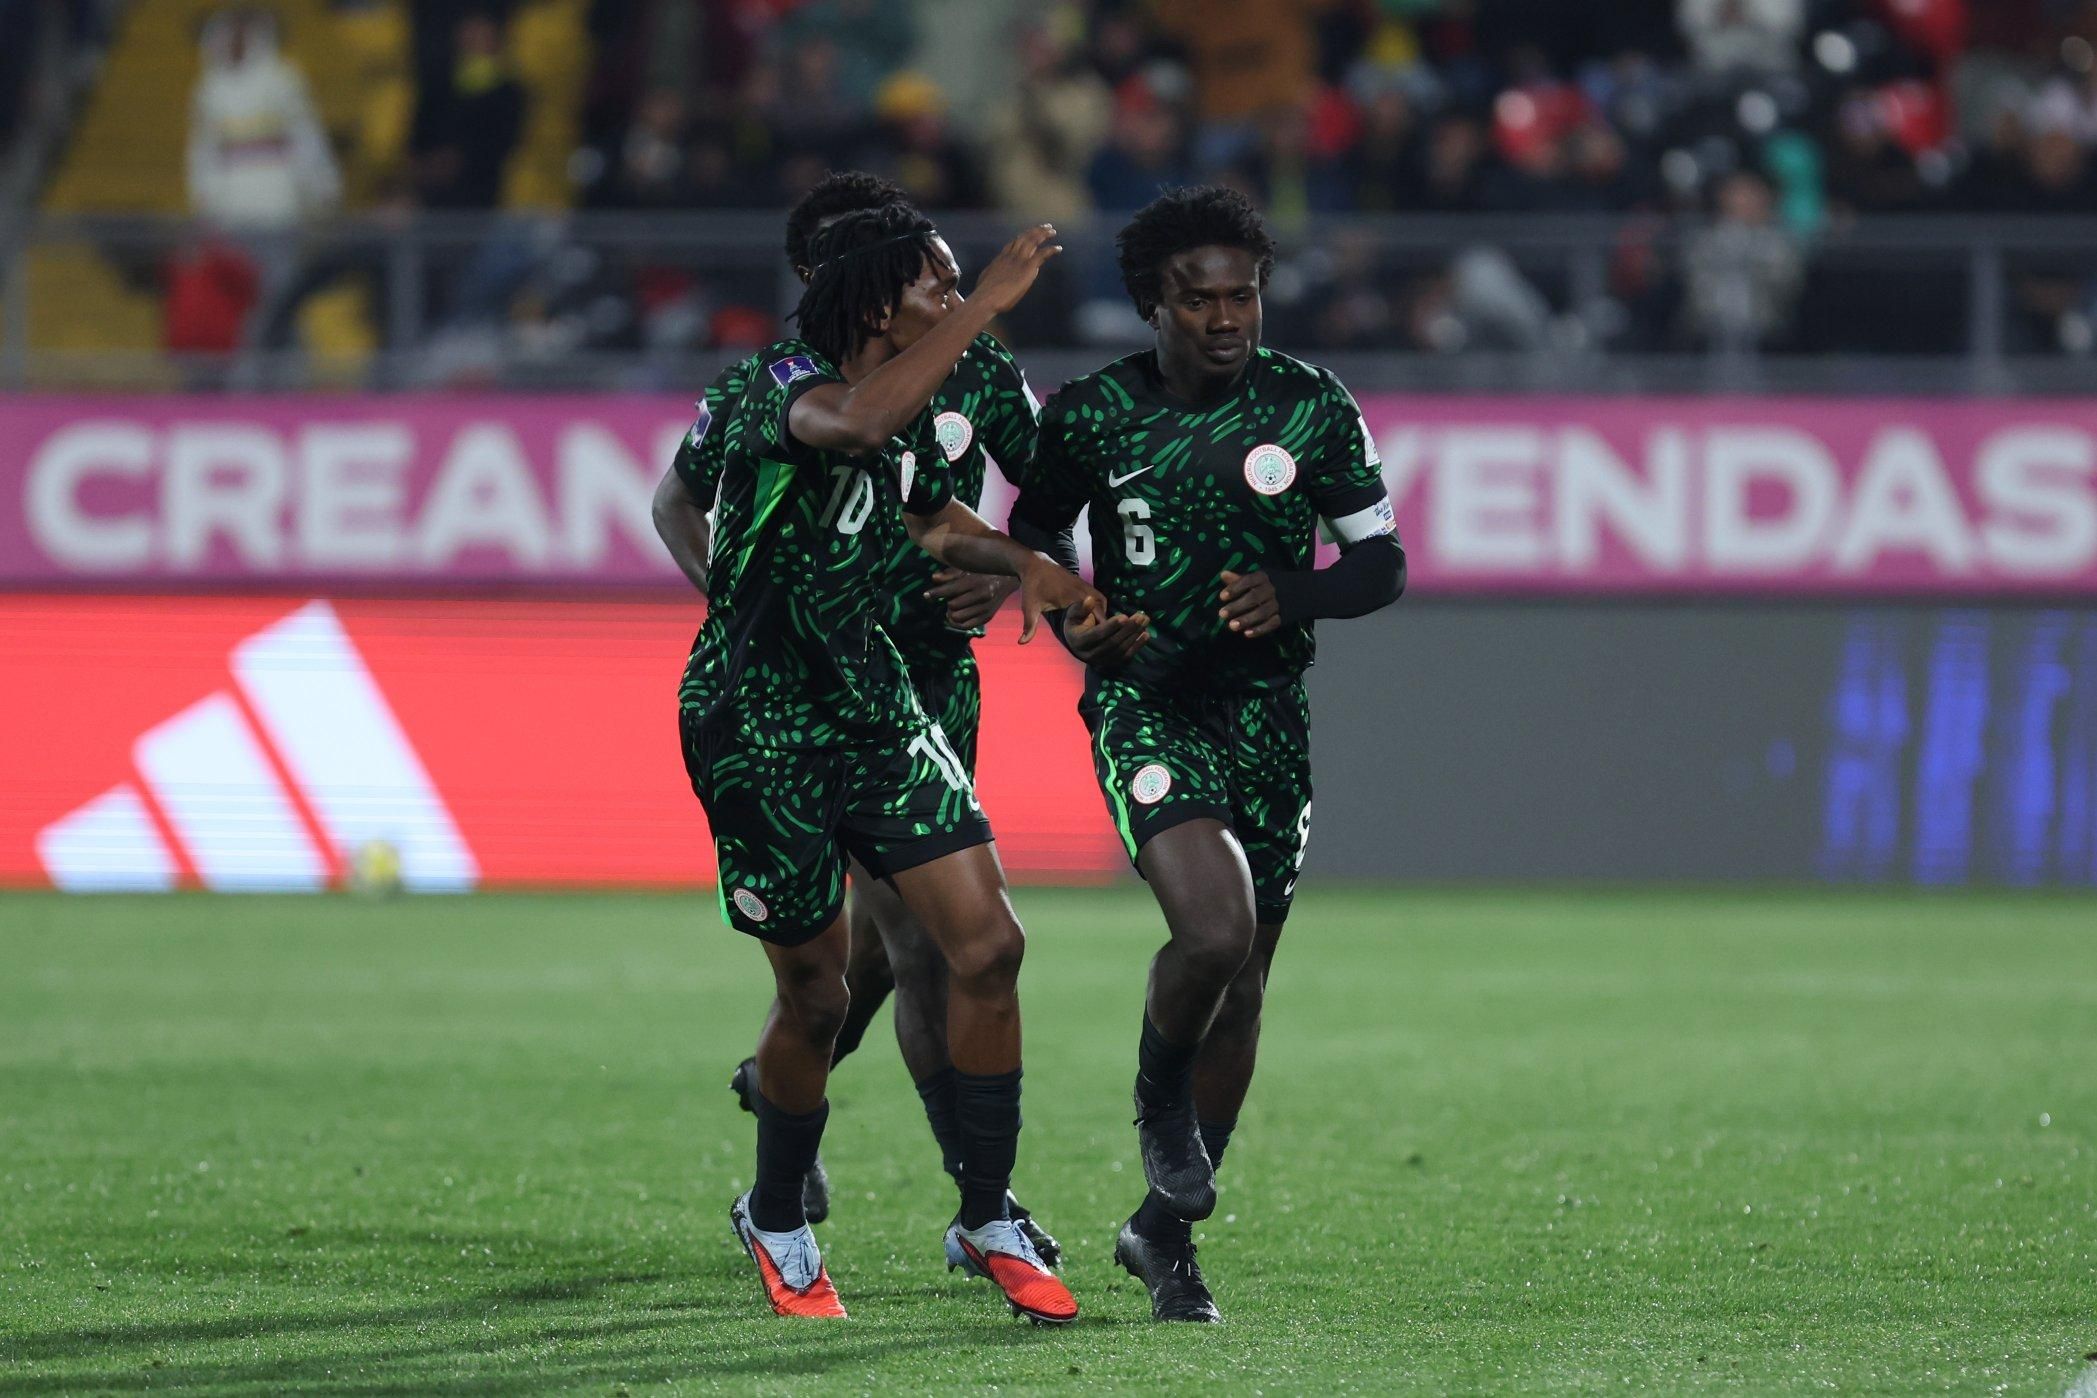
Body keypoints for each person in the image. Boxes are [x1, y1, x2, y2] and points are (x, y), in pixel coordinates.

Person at [669, 204, 1096, 1322]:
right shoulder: (781, 384)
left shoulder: (904, 402)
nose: (958, 304)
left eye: (963, 288)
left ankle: (988, 1209)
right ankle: (776, 1212)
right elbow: (850, 428)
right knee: (814, 993)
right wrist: (991, 308)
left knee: (985, 945)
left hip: (874, 709)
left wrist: (1023, 566)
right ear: (870, 300)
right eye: (938, 288)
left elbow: (929, 519)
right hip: (759, 728)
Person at [1010, 186, 1406, 1322]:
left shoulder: (1313, 407)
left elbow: (1381, 566)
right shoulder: (1090, 417)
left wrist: (1296, 591)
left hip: (1269, 717)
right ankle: (1157, 1100)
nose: (1228, 318)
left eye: (1244, 296)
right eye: (1201, 300)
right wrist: (1082, 615)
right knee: (1214, 931)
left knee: (1246, 987)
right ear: (1153, 304)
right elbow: (1033, 543)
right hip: (1147, 707)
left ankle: (1164, 1235)